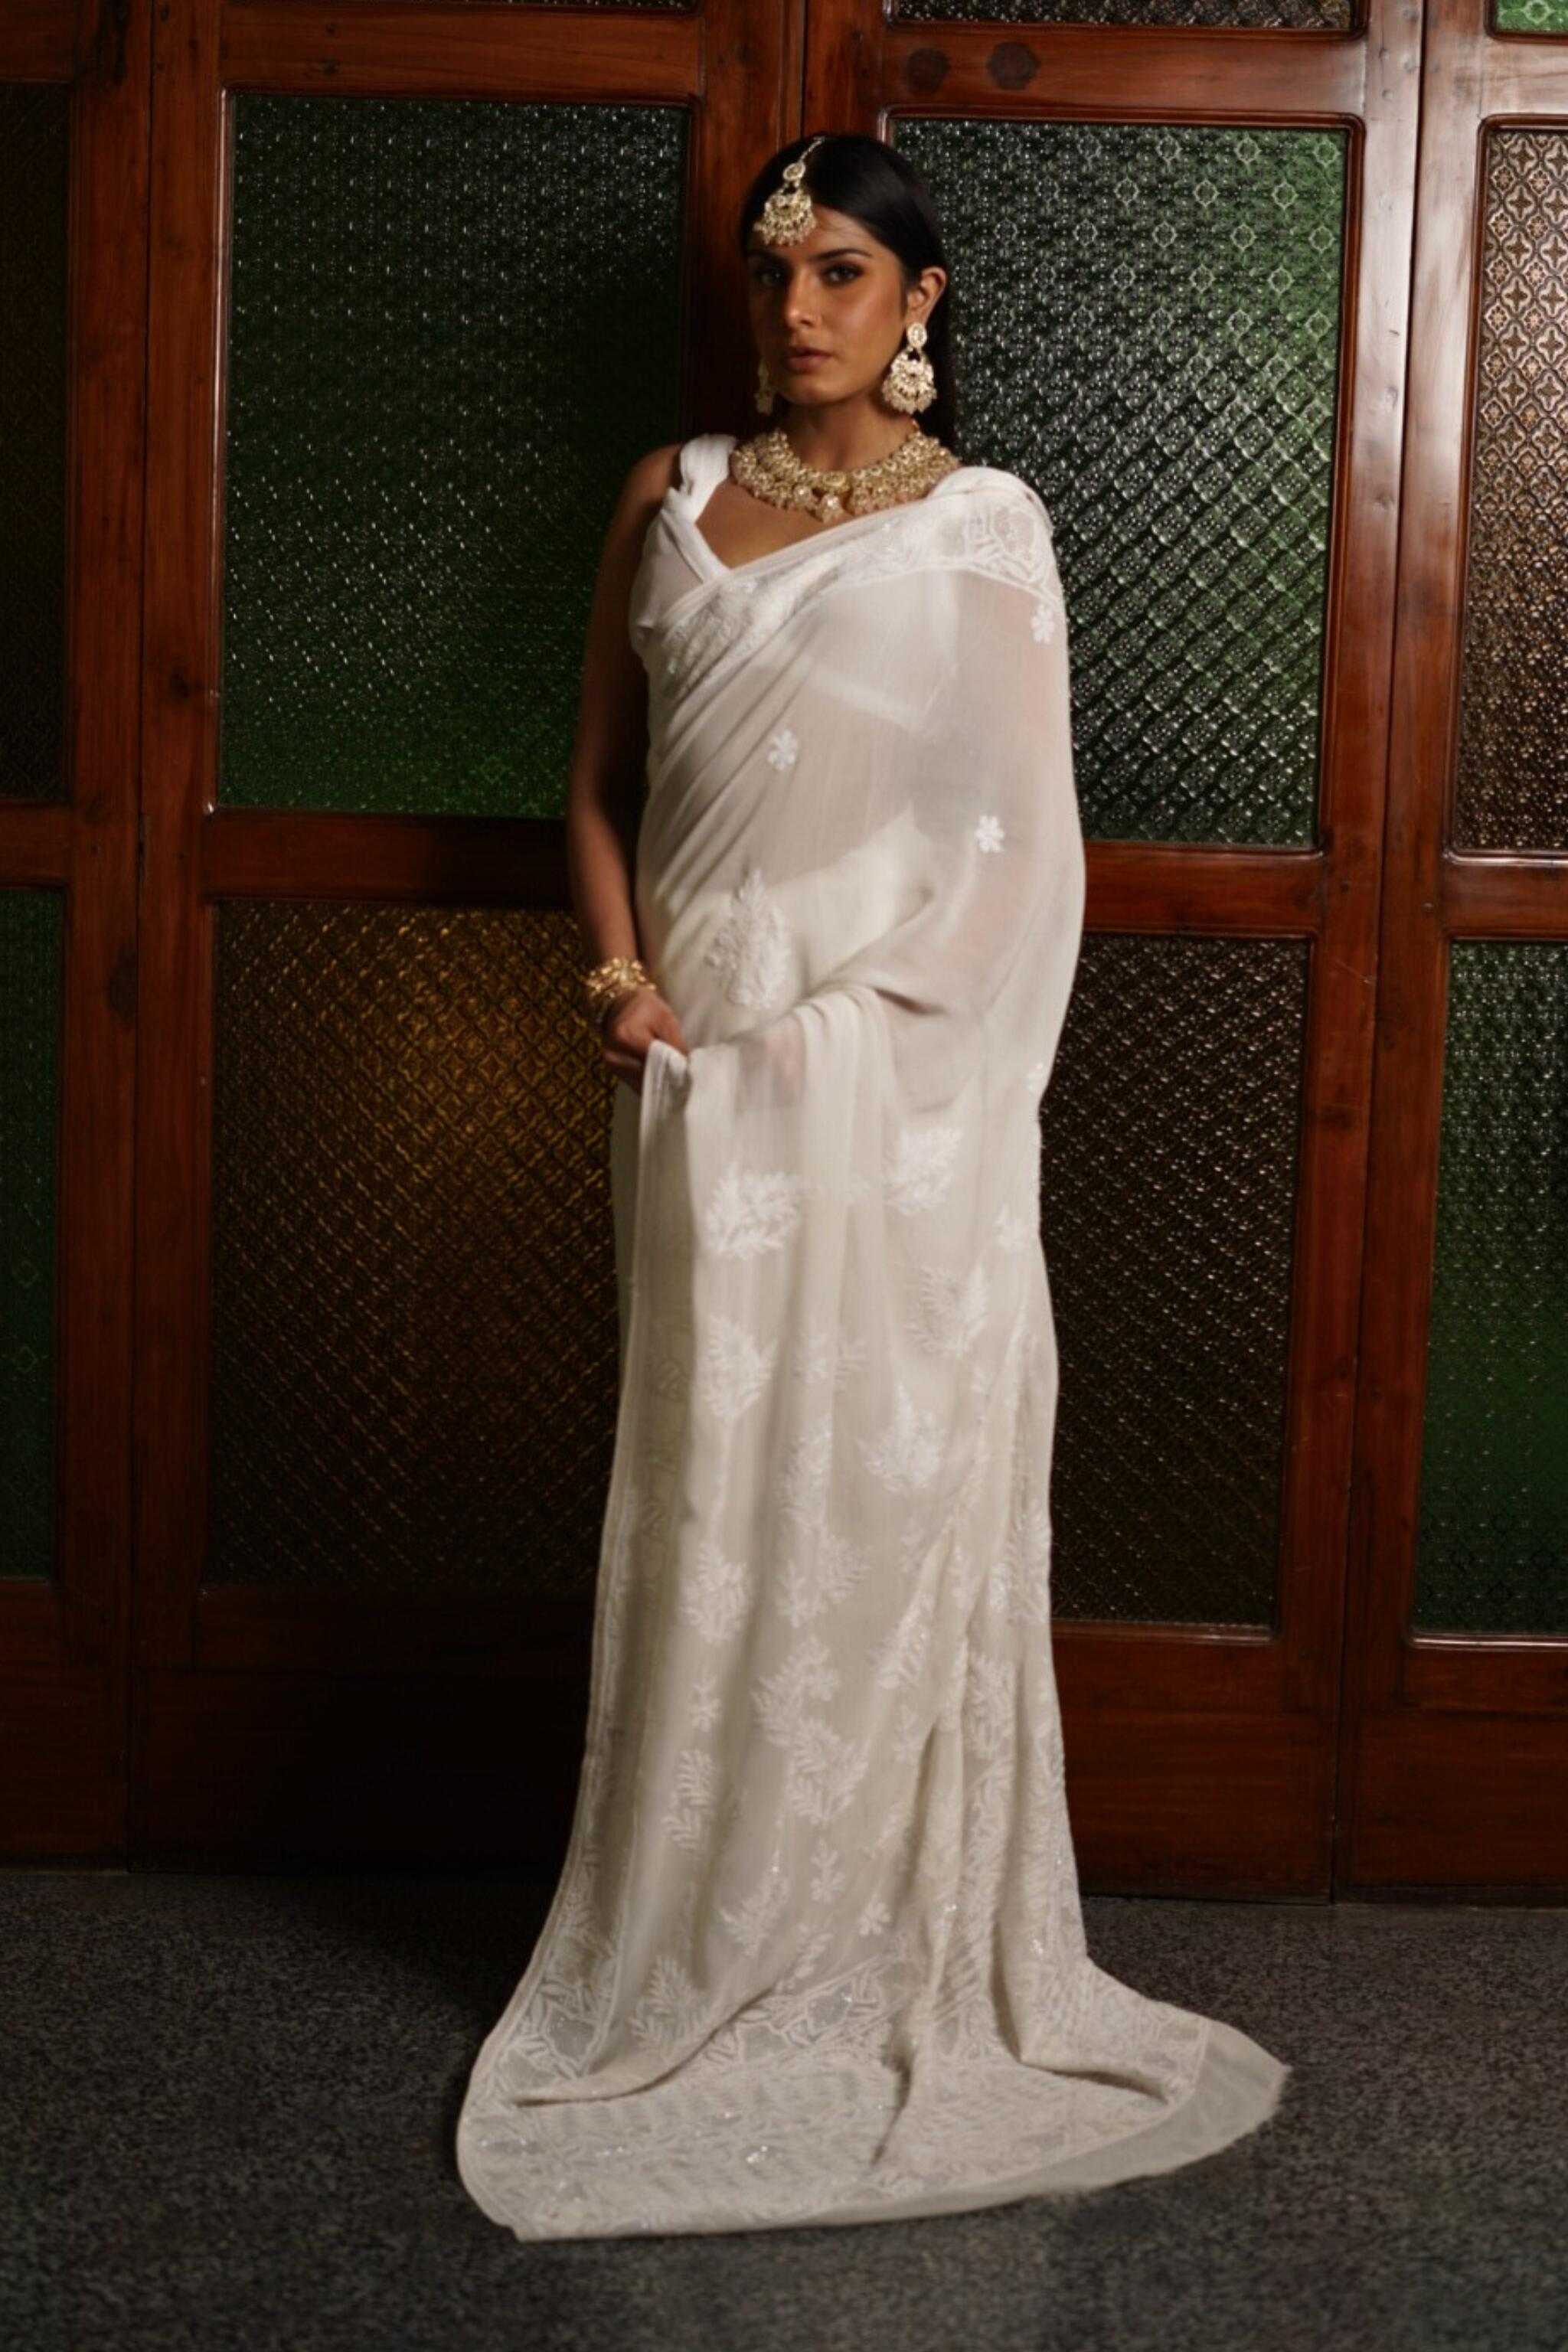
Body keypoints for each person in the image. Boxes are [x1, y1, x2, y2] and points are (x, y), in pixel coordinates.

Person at [456, 130, 1290, 2240]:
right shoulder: (666, 496)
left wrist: (854, 1051)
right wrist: (628, 985)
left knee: (877, 1486)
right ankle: (692, 1934)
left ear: (921, 304)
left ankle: (869, 1937)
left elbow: (1023, 854)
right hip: (694, 1070)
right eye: (775, 276)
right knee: (714, 1480)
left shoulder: (987, 530)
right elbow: (594, 790)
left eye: (840, 273)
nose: (799, 309)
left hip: (898, 1094)